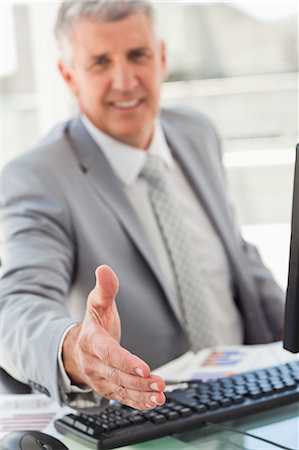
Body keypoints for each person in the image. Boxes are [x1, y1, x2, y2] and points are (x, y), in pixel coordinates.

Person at [0, 0, 284, 414]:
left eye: (138, 55)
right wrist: (74, 351)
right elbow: (17, 304)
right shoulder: (39, 177)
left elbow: (235, 258)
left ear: (162, 57)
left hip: (249, 394)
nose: (124, 80)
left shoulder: (196, 132)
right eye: (99, 62)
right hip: (146, 417)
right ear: (69, 75)